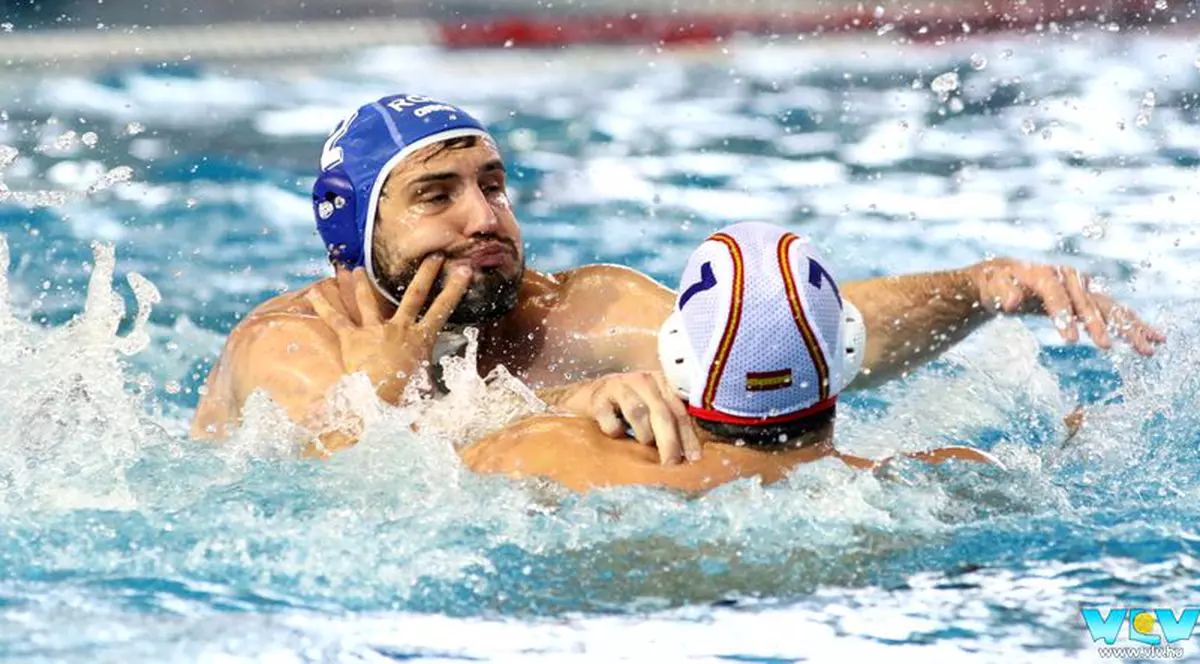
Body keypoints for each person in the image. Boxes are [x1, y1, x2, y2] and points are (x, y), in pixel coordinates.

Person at [190, 93, 1164, 461]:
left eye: (492, 184)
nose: (485, 217)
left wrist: (982, 285)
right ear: (350, 239)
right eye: (436, 197)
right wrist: (392, 387)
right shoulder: (286, 345)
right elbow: (333, 472)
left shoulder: (579, 307)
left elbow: (782, 340)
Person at [461, 222, 1003, 493]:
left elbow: (421, 450)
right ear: (847, 352)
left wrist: (561, 399)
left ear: (675, 356)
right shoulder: (948, 477)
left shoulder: (546, 451)